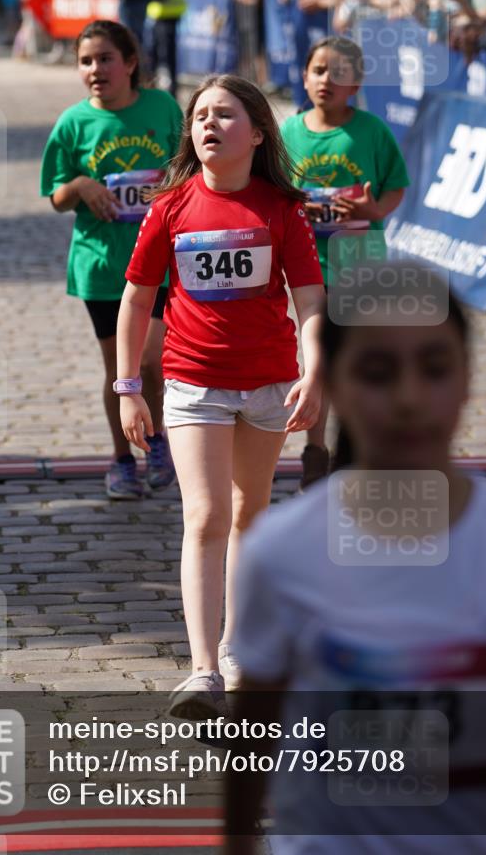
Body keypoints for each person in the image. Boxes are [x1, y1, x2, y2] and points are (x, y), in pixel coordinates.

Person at [226, 267, 486, 854]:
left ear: (467, 379)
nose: (410, 399)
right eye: (378, 373)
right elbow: (253, 741)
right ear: (331, 383)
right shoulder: (279, 553)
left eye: (434, 369)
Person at [116, 74, 325, 716]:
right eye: (200, 115)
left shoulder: (281, 209)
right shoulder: (170, 206)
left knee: (249, 515)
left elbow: (311, 299)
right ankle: (202, 669)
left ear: (257, 133)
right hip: (192, 384)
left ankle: (238, 647)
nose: (209, 125)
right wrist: (127, 386)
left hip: (268, 387)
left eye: (226, 115)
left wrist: (315, 373)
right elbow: (138, 297)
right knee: (204, 516)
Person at [40, 20, 182, 499]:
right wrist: (80, 186)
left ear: (130, 63)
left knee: (152, 363)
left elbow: (192, 169)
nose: (95, 69)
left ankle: (157, 442)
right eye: (85, 61)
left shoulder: (162, 108)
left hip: (162, 262)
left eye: (105, 59)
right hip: (102, 266)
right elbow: (55, 196)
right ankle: (122, 460)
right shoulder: (73, 123)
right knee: (120, 372)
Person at [281, 36, 409, 487]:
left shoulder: (371, 132)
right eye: (318, 70)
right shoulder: (289, 133)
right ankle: (315, 451)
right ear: (304, 76)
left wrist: (374, 211)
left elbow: (395, 185)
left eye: (338, 74)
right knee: (317, 362)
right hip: (307, 268)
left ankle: (355, 450)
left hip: (360, 265)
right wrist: (297, 209)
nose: (326, 81)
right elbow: (274, 190)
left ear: (355, 84)